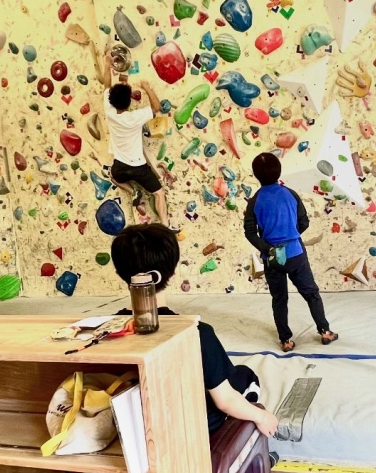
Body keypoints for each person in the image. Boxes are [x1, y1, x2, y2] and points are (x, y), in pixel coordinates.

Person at [110, 224, 279, 438]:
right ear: (172, 270)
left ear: (120, 273)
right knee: (245, 377)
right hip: (186, 428)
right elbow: (225, 401)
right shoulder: (197, 333)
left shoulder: (104, 332)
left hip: (131, 427)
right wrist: (262, 417)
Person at [244, 152, 338, 352]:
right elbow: (304, 222)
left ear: (255, 174)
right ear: (279, 171)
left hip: (272, 258)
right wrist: (292, 235)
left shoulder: (254, 201)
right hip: (295, 253)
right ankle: (325, 331)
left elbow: (250, 232)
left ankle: (286, 340)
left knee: (279, 299)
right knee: (311, 293)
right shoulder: (291, 194)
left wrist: (268, 248)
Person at [99, 44, 170, 227]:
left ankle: (133, 191)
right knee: (159, 194)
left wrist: (107, 64)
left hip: (120, 166)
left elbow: (106, 85)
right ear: (129, 102)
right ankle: (164, 225)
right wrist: (147, 88)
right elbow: (157, 108)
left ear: (112, 101)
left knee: (113, 176)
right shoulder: (134, 117)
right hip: (138, 167)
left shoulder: (109, 111)